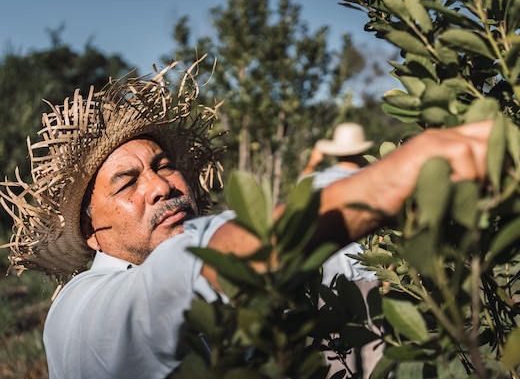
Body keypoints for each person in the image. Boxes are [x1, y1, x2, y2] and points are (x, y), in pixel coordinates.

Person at [0, 61, 493, 379]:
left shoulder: (239, 279)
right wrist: (391, 179)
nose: (161, 185)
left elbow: (343, 274)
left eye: (164, 165)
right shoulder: (82, 314)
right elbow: (185, 272)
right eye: (127, 183)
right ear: (91, 230)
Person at [301, 122, 381, 377]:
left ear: (335, 151)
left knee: (336, 350)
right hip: (368, 275)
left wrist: (313, 162)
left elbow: (298, 197)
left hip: (331, 278)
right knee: (373, 345)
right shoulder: (372, 179)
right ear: (360, 150)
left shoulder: (317, 181)